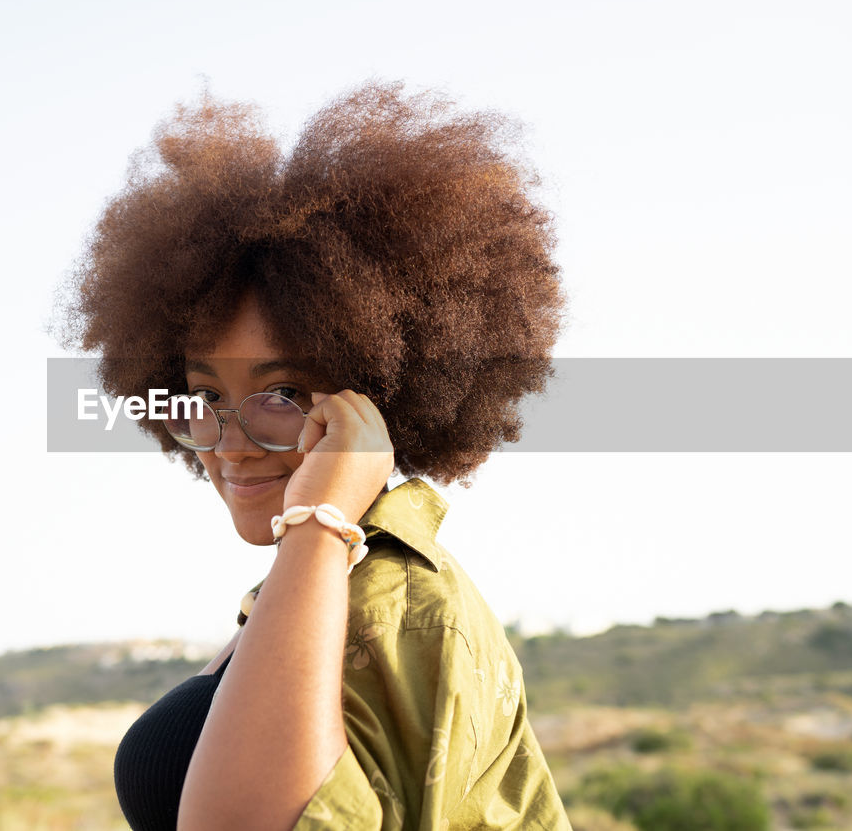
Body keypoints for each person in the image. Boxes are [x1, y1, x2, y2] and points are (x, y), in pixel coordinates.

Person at [58, 81, 571, 830]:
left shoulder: (400, 605)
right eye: (204, 396)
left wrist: (322, 518)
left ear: (371, 403)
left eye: (284, 393)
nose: (229, 442)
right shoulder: (310, 580)